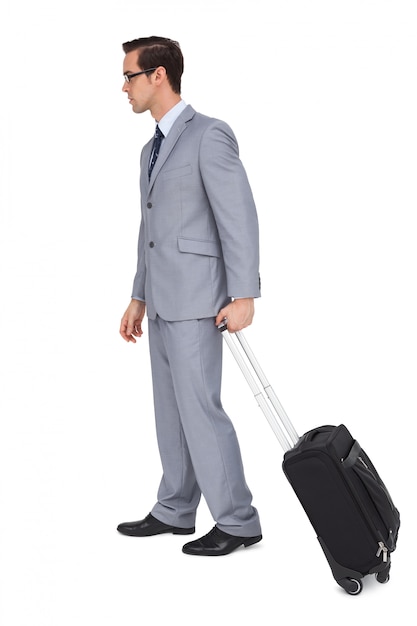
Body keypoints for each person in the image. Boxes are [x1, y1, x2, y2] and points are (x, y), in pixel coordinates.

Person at [117, 36, 262, 556]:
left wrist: (244, 294)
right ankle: (176, 508)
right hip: (161, 299)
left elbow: (238, 216)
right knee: (169, 410)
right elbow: (148, 229)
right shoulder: (148, 150)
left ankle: (239, 520)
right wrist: (138, 295)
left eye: (130, 75)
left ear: (159, 75)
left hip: (201, 299)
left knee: (201, 408)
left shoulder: (209, 135)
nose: (124, 87)